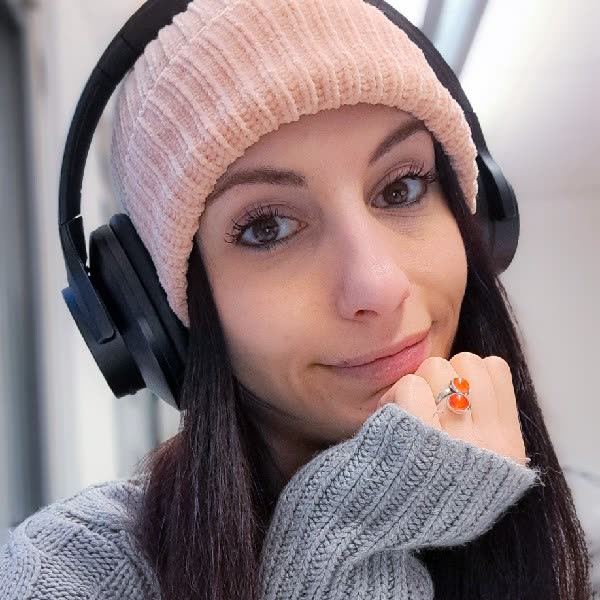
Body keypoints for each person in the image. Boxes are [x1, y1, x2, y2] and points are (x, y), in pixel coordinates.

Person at [0, 1, 593, 599]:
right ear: (157, 315)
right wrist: (350, 532)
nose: (379, 286)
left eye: (402, 187)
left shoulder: (584, 541)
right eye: (267, 228)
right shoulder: (63, 575)